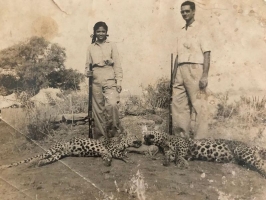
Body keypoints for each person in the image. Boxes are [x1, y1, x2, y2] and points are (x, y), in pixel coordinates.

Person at [172, 1, 211, 139]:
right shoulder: (181, 31)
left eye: (187, 11)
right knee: (178, 104)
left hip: (195, 68)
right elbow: (177, 55)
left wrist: (205, 75)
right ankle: (181, 139)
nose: (184, 14)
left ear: (194, 11)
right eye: (182, 11)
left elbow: (207, 53)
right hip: (180, 69)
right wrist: (174, 75)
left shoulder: (202, 28)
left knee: (199, 104)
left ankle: (201, 140)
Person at [85, 21, 123, 139]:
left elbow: (117, 64)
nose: (100, 33)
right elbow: (87, 65)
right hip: (95, 79)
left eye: (103, 31)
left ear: (106, 33)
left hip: (109, 77)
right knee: (98, 110)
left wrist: (119, 81)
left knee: (112, 105)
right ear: (95, 33)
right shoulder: (90, 47)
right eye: (98, 31)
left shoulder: (112, 45)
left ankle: (115, 133)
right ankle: (101, 137)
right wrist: (88, 72)